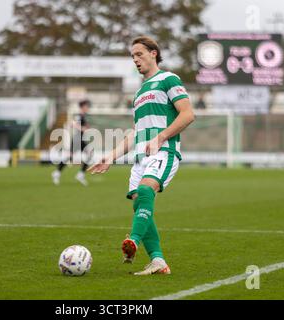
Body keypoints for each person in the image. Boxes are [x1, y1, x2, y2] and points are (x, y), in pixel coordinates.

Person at [88, 36, 195, 275]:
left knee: (147, 190)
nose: (135, 60)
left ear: (153, 53)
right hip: (139, 159)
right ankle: (158, 261)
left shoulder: (168, 79)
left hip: (164, 151)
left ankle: (132, 242)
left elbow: (187, 114)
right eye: (132, 56)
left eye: (139, 54)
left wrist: (161, 137)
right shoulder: (138, 94)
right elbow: (136, 133)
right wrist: (111, 156)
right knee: (140, 206)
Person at [52, 99, 92, 186]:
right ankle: (57, 173)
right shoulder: (79, 115)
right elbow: (72, 123)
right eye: (86, 106)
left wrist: (86, 127)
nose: (88, 107)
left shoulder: (84, 116)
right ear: (82, 106)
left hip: (81, 139)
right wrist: (82, 128)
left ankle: (80, 175)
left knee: (89, 154)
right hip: (77, 139)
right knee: (70, 157)